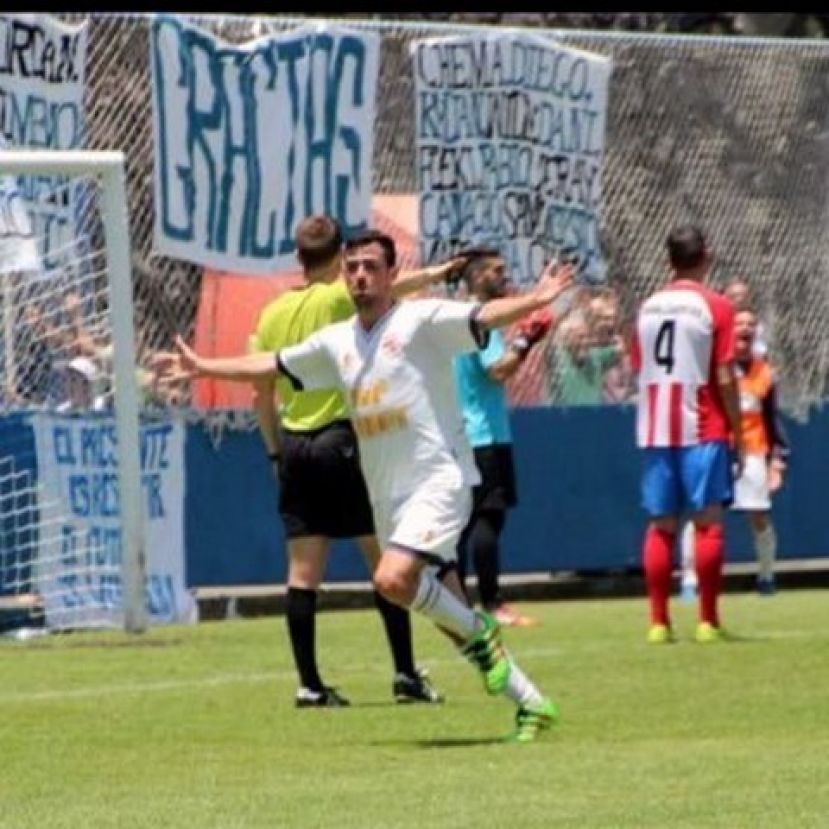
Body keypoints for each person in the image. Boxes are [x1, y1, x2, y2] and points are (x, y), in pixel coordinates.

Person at [155, 229, 574, 742]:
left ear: (391, 274)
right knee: (443, 611)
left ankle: (482, 632)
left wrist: (537, 299)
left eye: (371, 266)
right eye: (351, 266)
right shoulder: (337, 341)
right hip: (388, 498)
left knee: (393, 580)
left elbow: (483, 316)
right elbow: (273, 364)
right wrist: (203, 366)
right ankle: (532, 703)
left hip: (439, 480)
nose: (359, 275)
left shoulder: (420, 320)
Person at [247, 215, 466, 708]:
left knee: (303, 572)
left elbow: (261, 387)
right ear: (341, 261)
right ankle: (406, 674)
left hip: (295, 443)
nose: (360, 278)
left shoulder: (272, 313)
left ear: (298, 256)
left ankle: (309, 684)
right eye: (354, 266)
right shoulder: (337, 299)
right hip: (343, 440)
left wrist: (274, 449)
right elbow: (392, 291)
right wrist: (437, 274)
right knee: (384, 559)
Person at [630, 225, 744, 644]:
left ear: (669, 260)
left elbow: (638, 363)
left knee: (661, 525)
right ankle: (707, 621)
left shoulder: (646, 307)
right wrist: (736, 428)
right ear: (707, 256)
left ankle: (659, 622)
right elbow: (725, 374)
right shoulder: (717, 307)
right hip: (702, 423)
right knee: (708, 523)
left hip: (657, 427)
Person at [452, 248, 556, 627]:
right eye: (497, 271)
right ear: (478, 277)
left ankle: (458, 602)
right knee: (487, 517)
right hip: (485, 433)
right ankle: (492, 602)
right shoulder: (480, 320)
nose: (504, 276)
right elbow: (497, 369)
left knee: (463, 522)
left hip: (462, 431)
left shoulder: (453, 317)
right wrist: (527, 339)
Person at [679, 309, 789, 597]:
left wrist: (777, 460)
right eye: (739, 323)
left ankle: (766, 576)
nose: (745, 328)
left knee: (759, 515)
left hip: (752, 450)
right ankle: (690, 578)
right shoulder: (712, 367)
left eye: (751, 324)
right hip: (715, 447)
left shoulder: (764, 372)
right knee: (702, 514)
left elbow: (772, 418)